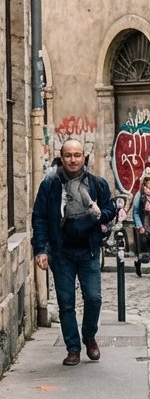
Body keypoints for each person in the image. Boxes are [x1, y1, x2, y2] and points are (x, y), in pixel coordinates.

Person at [31, 138, 117, 366]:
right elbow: (39, 217)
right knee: (66, 303)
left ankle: (89, 335)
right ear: (62, 157)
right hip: (61, 253)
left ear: (83, 157)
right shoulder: (50, 185)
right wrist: (40, 249)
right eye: (68, 155)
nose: (73, 159)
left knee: (94, 298)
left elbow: (111, 207)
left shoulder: (97, 184)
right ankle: (73, 348)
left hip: (88, 250)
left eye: (77, 155)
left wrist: (103, 214)